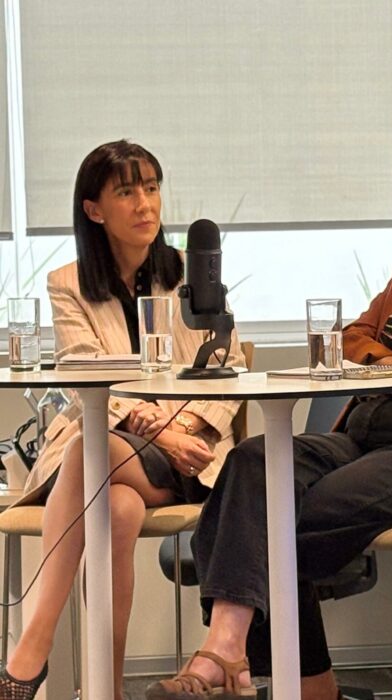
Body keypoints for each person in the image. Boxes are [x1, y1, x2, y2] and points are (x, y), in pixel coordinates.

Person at [145, 119, 392, 699]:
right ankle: (230, 648)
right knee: (252, 463)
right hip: (362, 429)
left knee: (270, 531)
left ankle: (255, 669)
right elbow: (356, 338)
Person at [0, 141, 245, 700]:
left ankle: (29, 651)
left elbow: (227, 367)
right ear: (94, 209)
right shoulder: (68, 284)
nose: (145, 204)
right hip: (119, 452)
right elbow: (81, 371)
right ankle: (105, 691)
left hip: (191, 453)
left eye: (152, 188)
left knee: (92, 449)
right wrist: (153, 427)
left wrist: (183, 431)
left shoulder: (191, 274)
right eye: (127, 192)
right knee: (117, 508)